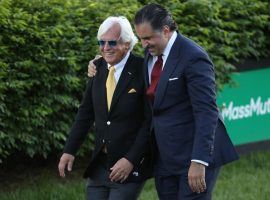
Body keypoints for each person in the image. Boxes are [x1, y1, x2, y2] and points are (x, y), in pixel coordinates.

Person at [88, 3, 239, 200]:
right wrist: (100, 62)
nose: (143, 44)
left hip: (192, 156)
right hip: (164, 158)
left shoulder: (193, 57)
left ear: (166, 31)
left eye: (148, 38)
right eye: (141, 39)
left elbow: (207, 112)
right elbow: (128, 69)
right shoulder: (150, 54)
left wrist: (199, 160)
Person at [58, 16, 152, 200]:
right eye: (101, 42)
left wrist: (131, 159)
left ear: (127, 43)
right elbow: (85, 114)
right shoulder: (97, 67)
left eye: (111, 42)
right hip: (99, 164)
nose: (105, 47)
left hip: (128, 166)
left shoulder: (143, 69)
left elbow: (149, 122)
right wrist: (69, 150)